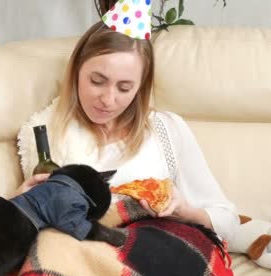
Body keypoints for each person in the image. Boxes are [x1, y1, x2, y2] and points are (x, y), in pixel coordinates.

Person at [13, 11, 238, 242]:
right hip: (82, 258)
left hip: (156, 251)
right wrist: (18, 204)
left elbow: (228, 221)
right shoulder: (45, 138)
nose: (108, 100)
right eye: (97, 81)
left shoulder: (166, 129)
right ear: (77, 70)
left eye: (124, 88)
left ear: (141, 87)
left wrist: (184, 212)